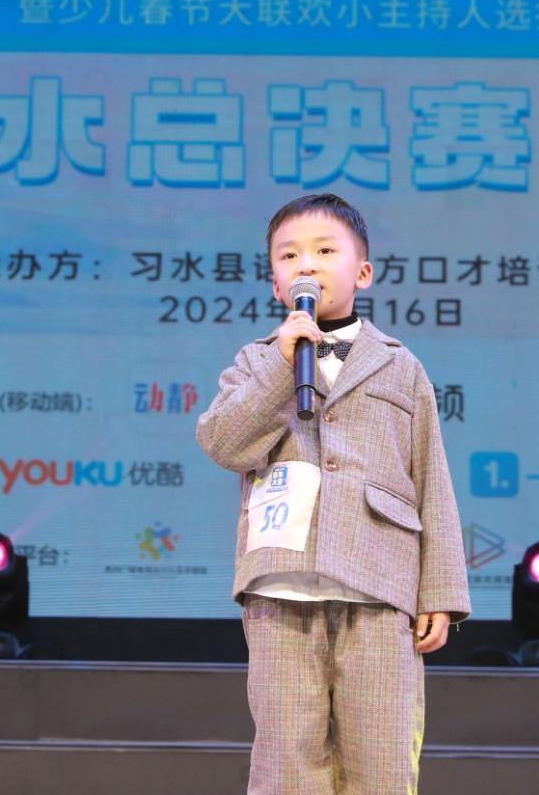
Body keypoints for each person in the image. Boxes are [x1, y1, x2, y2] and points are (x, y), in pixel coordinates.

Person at [196, 193, 471, 794]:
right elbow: (223, 442)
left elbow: (432, 479)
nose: (307, 265)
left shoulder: (400, 366)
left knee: (382, 759)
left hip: (379, 584)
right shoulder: (256, 362)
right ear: (276, 284)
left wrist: (442, 593)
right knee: (287, 761)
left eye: (325, 251)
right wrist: (281, 364)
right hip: (280, 583)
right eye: (289, 255)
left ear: (362, 272)